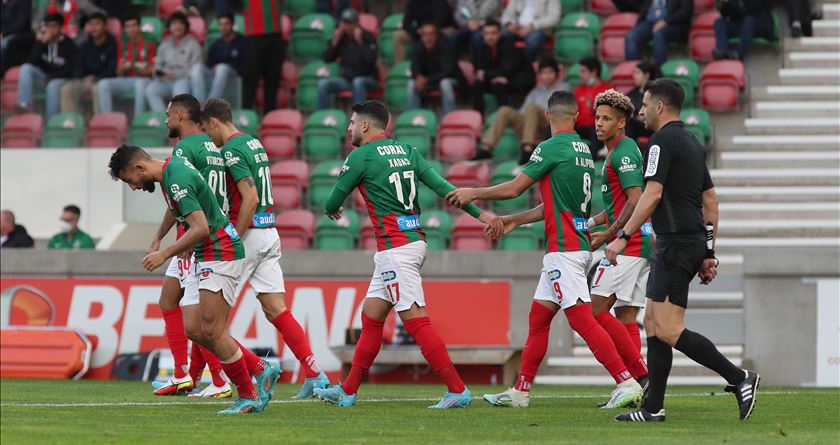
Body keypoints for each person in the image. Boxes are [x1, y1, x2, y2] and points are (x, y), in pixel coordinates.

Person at [445, 91, 644, 409]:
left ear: (548, 117)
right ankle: (521, 391)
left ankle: (627, 381)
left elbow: (514, 187)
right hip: (571, 245)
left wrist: (474, 192)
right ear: (577, 117)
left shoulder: (550, 147)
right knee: (539, 319)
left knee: (584, 320)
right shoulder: (582, 149)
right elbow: (553, 205)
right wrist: (513, 221)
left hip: (564, 249)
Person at [313, 100, 503, 408]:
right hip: (411, 242)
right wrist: (482, 216)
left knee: (416, 321)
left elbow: (331, 201)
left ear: (364, 125)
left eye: (351, 123)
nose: (348, 128)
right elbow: (446, 189)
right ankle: (348, 390)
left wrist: (332, 209)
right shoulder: (408, 152)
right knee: (372, 317)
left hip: (395, 249)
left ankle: (457, 390)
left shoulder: (359, 156)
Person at [606, 79, 759, 422]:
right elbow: (710, 200)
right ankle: (653, 407)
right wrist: (708, 252)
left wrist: (622, 236)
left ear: (660, 107)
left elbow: (653, 194)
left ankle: (739, 378)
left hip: (674, 244)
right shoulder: (691, 141)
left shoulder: (660, 142)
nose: (641, 112)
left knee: (669, 328)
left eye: (644, 105)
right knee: (652, 323)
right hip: (686, 243)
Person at [108, 143, 276, 414]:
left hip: (220, 251)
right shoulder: (168, 172)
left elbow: (200, 227)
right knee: (195, 329)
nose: (133, 187)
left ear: (139, 167)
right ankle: (260, 368)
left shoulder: (177, 176)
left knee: (212, 330)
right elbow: (176, 209)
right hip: (206, 253)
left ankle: (248, 393)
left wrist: (164, 254)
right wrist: (158, 236)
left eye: (129, 180)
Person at [201, 98, 330, 399]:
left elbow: (250, 197)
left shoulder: (231, 149)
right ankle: (315, 374)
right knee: (277, 310)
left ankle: (250, 373)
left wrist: (234, 234)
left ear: (215, 122)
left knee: (210, 322)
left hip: (248, 236)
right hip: (270, 232)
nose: (208, 135)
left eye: (207, 128)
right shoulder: (254, 142)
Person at [148, 94, 235, 399]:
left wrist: (179, 236)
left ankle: (221, 378)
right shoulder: (213, 146)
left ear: (182, 115)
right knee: (168, 300)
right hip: (204, 231)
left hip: (195, 238)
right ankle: (183, 373)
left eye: (169, 114)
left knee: (198, 322)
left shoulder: (184, 148)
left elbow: (183, 194)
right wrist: (160, 235)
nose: (166, 120)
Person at [587, 90, 653, 407]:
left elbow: (636, 198)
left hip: (632, 241)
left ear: (622, 122)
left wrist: (611, 235)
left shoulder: (624, 150)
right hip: (635, 238)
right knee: (626, 314)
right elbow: (618, 204)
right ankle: (637, 385)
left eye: (606, 119)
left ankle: (638, 376)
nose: (599, 124)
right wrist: (593, 222)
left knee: (596, 310)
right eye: (597, 117)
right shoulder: (616, 151)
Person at [474, 55, 569, 163]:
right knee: (505, 110)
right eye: (543, 73)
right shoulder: (536, 91)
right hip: (531, 126)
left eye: (549, 72)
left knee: (532, 108)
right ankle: (487, 148)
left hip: (549, 126)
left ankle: (528, 149)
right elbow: (522, 112)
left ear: (556, 73)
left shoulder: (564, 88)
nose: (546, 76)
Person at [317, 8, 379, 110]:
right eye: (346, 22)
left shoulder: (367, 37)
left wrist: (360, 42)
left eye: (351, 22)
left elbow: (370, 60)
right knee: (322, 84)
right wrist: (334, 42)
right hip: (347, 80)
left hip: (368, 78)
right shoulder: (342, 39)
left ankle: (358, 119)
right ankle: (322, 118)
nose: (348, 26)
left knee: (358, 82)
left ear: (357, 23)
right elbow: (327, 58)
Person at [16, 13, 76, 119]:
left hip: (62, 79)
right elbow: (31, 62)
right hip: (45, 77)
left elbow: (71, 69)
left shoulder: (69, 44)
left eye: (54, 26)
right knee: (25, 68)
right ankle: (25, 105)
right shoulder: (43, 42)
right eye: (48, 26)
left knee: (52, 85)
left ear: (61, 28)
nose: (51, 29)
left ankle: (50, 121)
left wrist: (51, 77)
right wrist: (41, 43)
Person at [94, 14, 155, 117]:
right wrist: (122, 68)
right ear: (124, 29)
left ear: (139, 27)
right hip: (128, 80)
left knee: (139, 84)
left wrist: (133, 67)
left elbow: (151, 71)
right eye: (128, 26)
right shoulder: (122, 43)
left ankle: (137, 120)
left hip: (145, 80)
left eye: (134, 25)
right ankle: (107, 120)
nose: (131, 29)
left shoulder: (149, 43)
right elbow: (118, 72)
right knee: (103, 84)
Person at [471, 19, 535, 115]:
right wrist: (486, 75)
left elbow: (508, 70)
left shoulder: (508, 45)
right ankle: (477, 118)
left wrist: (486, 74)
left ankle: (505, 118)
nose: (490, 37)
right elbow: (479, 70)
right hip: (496, 78)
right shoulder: (481, 47)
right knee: (476, 85)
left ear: (500, 34)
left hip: (517, 79)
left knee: (498, 85)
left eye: (493, 33)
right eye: (487, 34)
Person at [144, 12, 201, 113]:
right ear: (169, 27)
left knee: (178, 92)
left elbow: (195, 70)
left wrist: (175, 74)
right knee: (150, 90)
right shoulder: (164, 44)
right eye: (174, 24)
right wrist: (159, 72)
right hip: (165, 80)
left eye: (181, 24)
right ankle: (163, 119)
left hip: (183, 80)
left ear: (186, 26)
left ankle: (179, 125)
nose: (177, 27)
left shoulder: (193, 44)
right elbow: (157, 65)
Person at [60, 12, 116, 115]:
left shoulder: (113, 45)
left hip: (103, 80)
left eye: (97, 24)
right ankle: (70, 123)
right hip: (85, 80)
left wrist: (95, 78)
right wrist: (80, 79)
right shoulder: (85, 46)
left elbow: (112, 70)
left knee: (97, 89)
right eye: (91, 24)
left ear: (105, 26)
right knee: (66, 89)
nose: (94, 28)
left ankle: (99, 123)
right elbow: (78, 67)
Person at [407, 23, 465, 115]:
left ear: (436, 35)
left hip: (452, 80)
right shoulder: (418, 47)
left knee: (445, 83)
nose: (428, 37)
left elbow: (448, 71)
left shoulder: (447, 46)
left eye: (431, 34)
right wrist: (418, 78)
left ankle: (449, 118)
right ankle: (412, 116)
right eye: (425, 34)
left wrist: (427, 80)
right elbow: (414, 67)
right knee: (411, 83)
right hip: (430, 82)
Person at [240, 0, 284, 112]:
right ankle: (246, 117)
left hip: (275, 34)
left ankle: (270, 116)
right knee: (250, 81)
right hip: (254, 36)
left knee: (272, 80)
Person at [190, 13, 244, 103]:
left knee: (222, 68)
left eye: (226, 24)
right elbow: (209, 63)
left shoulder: (242, 42)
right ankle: (199, 103)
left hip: (234, 74)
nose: (223, 27)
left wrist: (221, 66)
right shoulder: (216, 44)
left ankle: (210, 103)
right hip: (216, 74)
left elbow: (243, 63)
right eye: (221, 24)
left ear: (232, 24)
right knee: (196, 68)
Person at [624, 0, 693, 65]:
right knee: (631, 36)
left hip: (674, 24)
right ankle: (635, 71)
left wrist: (666, 21)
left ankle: (658, 72)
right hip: (649, 22)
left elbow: (686, 11)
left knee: (659, 33)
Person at [573, 57, 611, 157]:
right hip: (579, 125)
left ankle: (591, 164)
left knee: (597, 132)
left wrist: (594, 109)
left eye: (583, 71)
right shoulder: (578, 89)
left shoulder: (606, 90)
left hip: (595, 127)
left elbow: (609, 114)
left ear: (594, 72)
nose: (580, 75)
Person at [625, 62, 660, 141]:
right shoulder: (632, 93)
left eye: (637, 73)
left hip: (650, 126)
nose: (634, 76)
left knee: (630, 125)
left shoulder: (655, 92)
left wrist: (646, 116)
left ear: (647, 75)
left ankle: (629, 150)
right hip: (636, 124)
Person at [1, 0, 35, 77]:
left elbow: (21, 24)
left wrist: (3, 33)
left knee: (3, 43)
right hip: (5, 34)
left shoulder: (24, 2)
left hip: (20, 35)